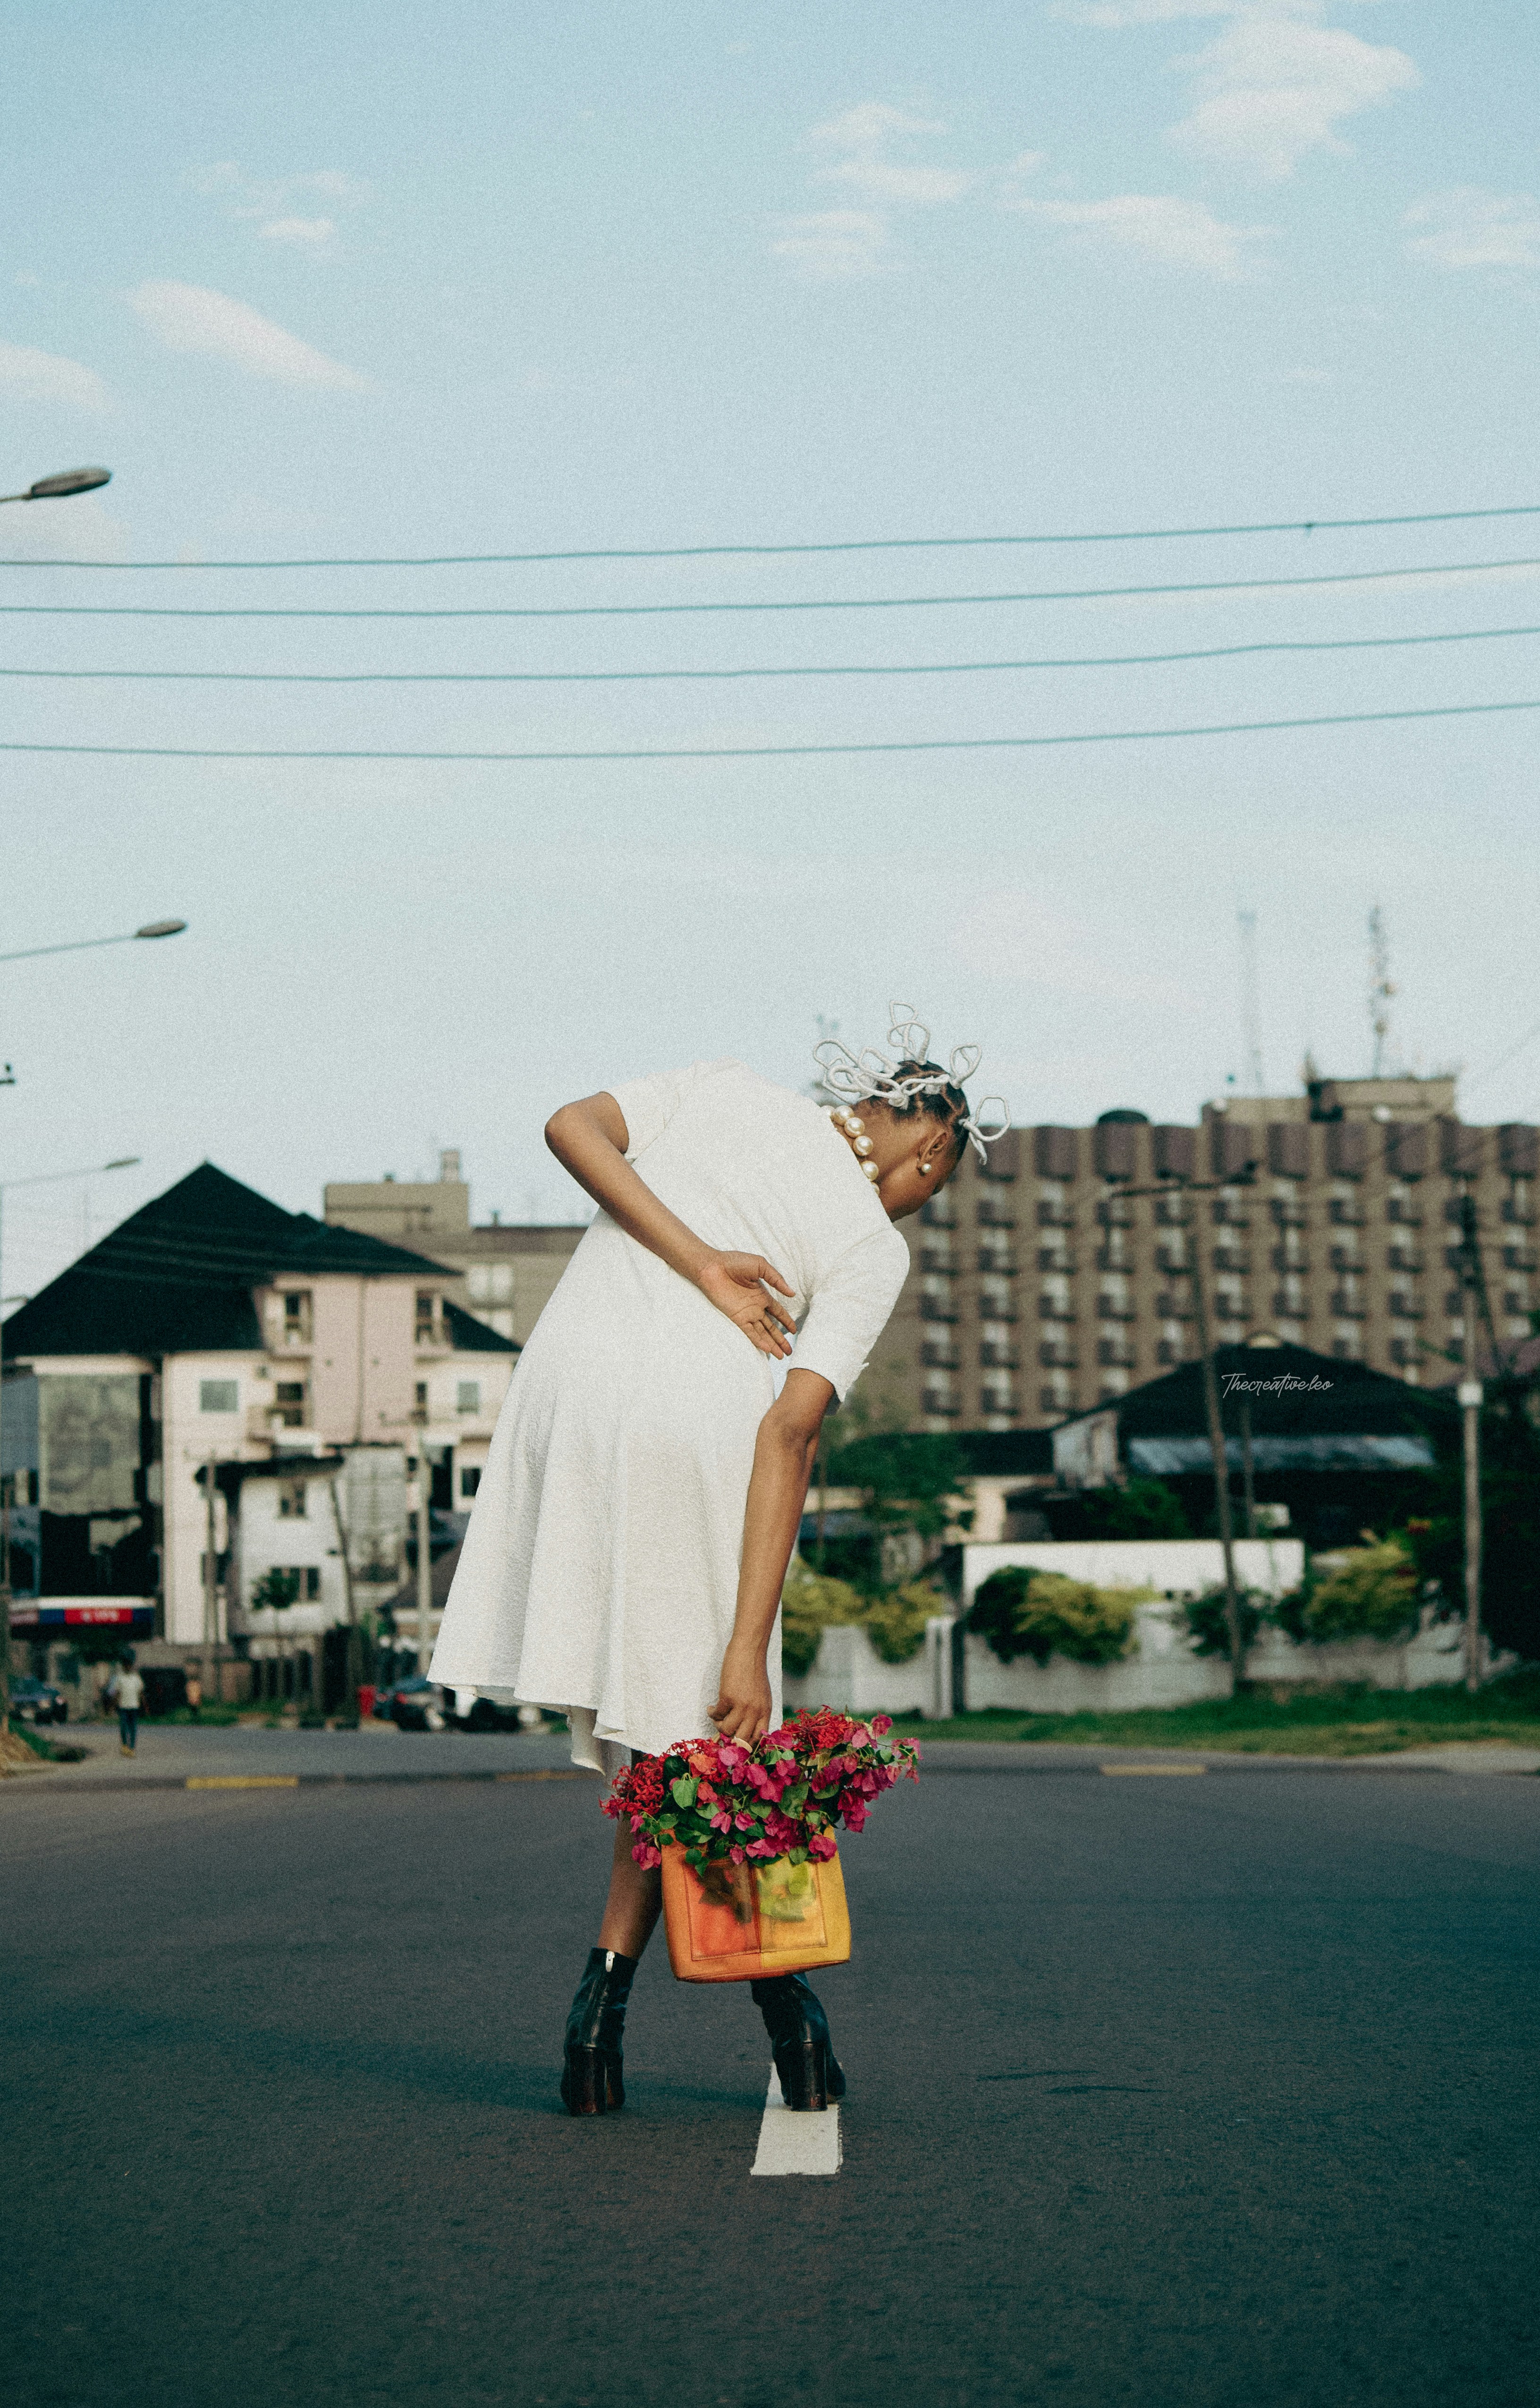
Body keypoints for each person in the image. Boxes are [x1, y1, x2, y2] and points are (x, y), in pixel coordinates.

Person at [430, 1010, 1007, 2115]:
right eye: (929, 1189)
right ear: (929, 1148)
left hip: (566, 1395)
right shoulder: (871, 1247)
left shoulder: (724, 1084)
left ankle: (601, 2015)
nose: (914, 1204)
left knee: (666, 1736)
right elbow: (787, 1434)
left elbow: (568, 1125)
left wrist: (695, 1258)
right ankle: (789, 2016)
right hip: (693, 1438)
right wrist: (750, 1640)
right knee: (722, 1727)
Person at [114, 1655, 145, 1755]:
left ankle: (132, 1748)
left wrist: (145, 1705)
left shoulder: (136, 1678)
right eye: (125, 1666)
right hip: (123, 1706)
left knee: (133, 1728)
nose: (127, 1667)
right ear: (123, 1666)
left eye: (129, 1666)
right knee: (124, 1727)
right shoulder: (120, 1678)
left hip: (134, 1707)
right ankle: (124, 1745)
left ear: (131, 1666)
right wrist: (114, 1705)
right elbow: (117, 1692)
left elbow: (141, 1692)